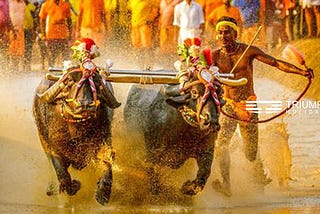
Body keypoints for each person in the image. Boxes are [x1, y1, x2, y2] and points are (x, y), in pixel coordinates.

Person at [211, 16, 314, 196]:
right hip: (227, 106)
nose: (223, 36)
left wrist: (301, 72)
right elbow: (200, 73)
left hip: (248, 105)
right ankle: (226, 185)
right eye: (220, 32)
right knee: (222, 144)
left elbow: (275, 63)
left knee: (250, 154)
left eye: (227, 32)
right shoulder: (213, 56)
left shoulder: (248, 51)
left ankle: (258, 173)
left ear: (235, 33)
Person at [66, 38, 101, 107]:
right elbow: (83, 66)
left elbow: (93, 67)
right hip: (85, 74)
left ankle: (95, 100)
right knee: (78, 85)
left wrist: (91, 71)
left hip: (89, 75)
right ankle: (73, 98)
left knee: (94, 88)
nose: (86, 55)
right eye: (85, 53)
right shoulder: (78, 67)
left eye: (87, 53)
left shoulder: (90, 64)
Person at [39, 0, 72, 68]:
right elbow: (42, 20)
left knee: (65, 56)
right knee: (52, 55)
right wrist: (43, 34)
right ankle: (51, 71)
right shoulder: (46, 4)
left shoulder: (65, 5)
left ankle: (66, 73)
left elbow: (69, 20)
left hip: (63, 34)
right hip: (51, 34)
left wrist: (70, 34)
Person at [159, 0, 182, 67]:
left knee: (174, 50)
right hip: (163, 30)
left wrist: (176, 33)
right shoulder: (163, 2)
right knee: (164, 50)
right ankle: (165, 67)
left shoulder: (179, 2)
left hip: (173, 30)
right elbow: (161, 15)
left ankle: (174, 68)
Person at [0, 0, 15, 72]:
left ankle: (4, 67)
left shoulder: (7, 2)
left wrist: (12, 29)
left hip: (4, 29)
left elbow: (8, 16)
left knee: (5, 47)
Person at [23, 0, 36, 71]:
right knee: (21, 49)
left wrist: (34, 31)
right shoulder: (20, 5)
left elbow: (35, 19)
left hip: (29, 30)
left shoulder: (32, 7)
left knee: (28, 48)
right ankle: (20, 66)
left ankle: (27, 65)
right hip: (21, 30)